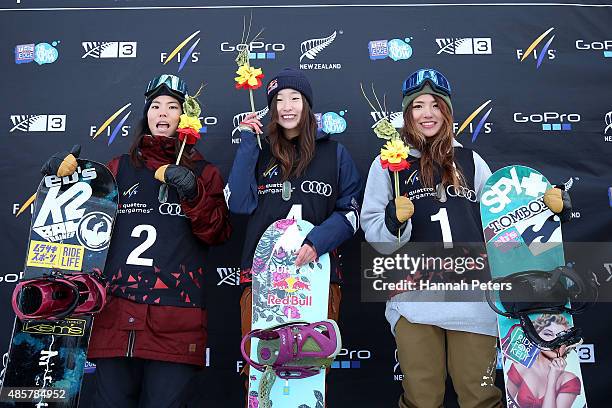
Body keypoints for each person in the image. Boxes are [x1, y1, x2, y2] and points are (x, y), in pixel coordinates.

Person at [360, 68, 571, 408]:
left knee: (479, 396)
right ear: (406, 113)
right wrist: (392, 221)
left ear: (447, 111)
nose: (427, 114)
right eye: (418, 106)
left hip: (473, 298)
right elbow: (376, 235)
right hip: (414, 298)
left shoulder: (472, 161)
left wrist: (541, 207)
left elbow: (502, 219)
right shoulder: (388, 164)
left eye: (435, 105)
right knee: (422, 398)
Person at [42, 74, 231, 407]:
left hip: (176, 319)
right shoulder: (117, 168)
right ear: (146, 115)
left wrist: (192, 191)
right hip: (116, 314)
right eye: (155, 106)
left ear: (184, 117)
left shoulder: (205, 172)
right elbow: (80, 227)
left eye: (172, 107)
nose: (162, 113)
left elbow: (217, 233)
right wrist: (62, 181)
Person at [225, 67, 362, 401]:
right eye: (278, 100)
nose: (287, 106)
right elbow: (239, 203)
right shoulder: (258, 149)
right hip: (263, 280)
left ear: (307, 104)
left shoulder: (334, 153)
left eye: (294, 98)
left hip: (316, 279)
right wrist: (247, 143)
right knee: (260, 371)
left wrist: (318, 241)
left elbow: (352, 211)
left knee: (310, 372)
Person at [507, 314, 582, 408]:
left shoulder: (569, 380)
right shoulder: (520, 368)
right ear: (534, 336)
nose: (556, 341)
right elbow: (509, 403)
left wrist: (552, 380)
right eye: (548, 334)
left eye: (562, 337)